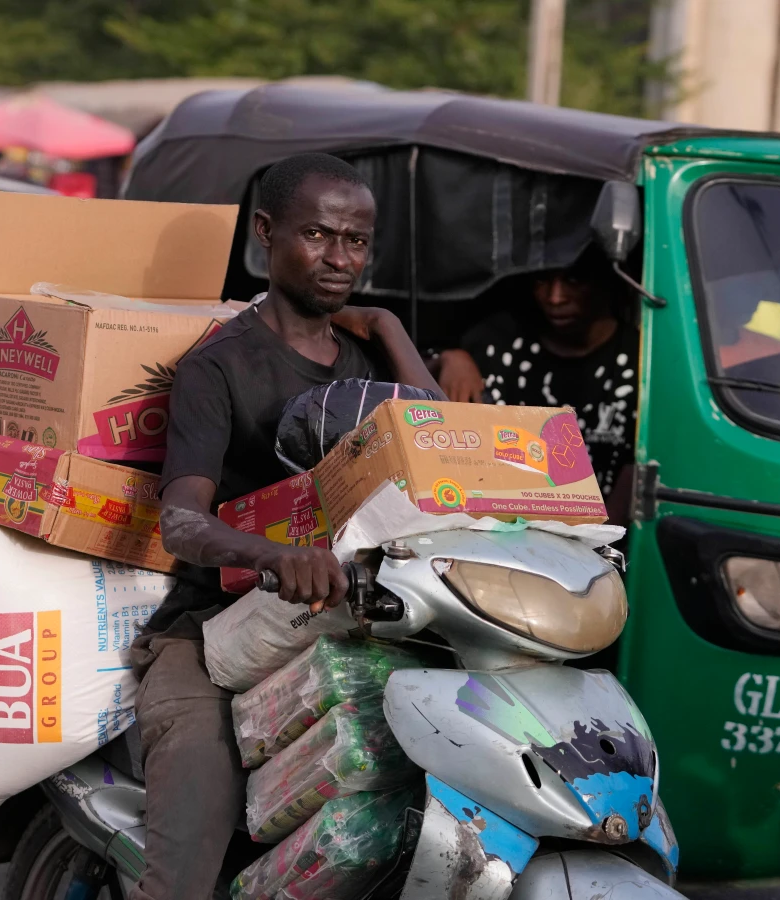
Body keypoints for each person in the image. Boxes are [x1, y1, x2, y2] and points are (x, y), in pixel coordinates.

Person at [132, 153, 444, 900]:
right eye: (317, 234)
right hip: (214, 629)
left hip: (359, 619)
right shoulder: (219, 368)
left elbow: (443, 444)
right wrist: (275, 555)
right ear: (266, 235)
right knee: (191, 835)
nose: (340, 258)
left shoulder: (368, 360)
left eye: (357, 241)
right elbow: (181, 522)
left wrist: (389, 325)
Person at [435, 254, 638, 523]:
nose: (555, 297)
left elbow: (638, 469)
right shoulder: (496, 343)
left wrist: (594, 549)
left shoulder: (641, 361)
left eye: (574, 280)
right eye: (543, 279)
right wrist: (448, 358)